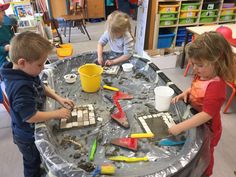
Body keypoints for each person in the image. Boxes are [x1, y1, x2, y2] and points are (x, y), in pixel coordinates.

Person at [0, 31, 74, 177]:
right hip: (27, 136)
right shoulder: (19, 86)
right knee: (32, 163)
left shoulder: (27, 72)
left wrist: (58, 98)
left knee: (38, 159)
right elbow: (30, 116)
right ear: (22, 62)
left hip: (32, 129)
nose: (43, 68)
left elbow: (40, 86)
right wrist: (56, 114)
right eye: (40, 64)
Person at [169, 31, 236, 177]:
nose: (195, 69)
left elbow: (207, 114)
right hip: (197, 117)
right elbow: (198, 86)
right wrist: (186, 92)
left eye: (199, 65)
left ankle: (206, 172)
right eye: (193, 64)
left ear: (216, 61)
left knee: (205, 153)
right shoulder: (204, 73)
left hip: (209, 129)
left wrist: (180, 127)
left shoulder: (216, 87)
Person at [0, 3, 14, 68]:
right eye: (1, 11)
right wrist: (4, 48)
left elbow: (13, 38)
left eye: (3, 11)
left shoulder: (5, 27)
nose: (3, 14)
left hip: (12, 60)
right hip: (2, 65)